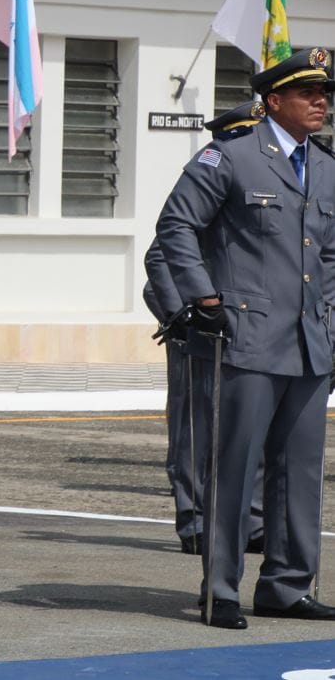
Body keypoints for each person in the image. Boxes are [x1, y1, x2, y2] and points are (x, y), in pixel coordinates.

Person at [156, 46, 335, 629]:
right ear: (273, 101)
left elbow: (329, 254)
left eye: (324, 93)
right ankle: (222, 588)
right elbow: (177, 224)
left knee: (299, 470)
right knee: (235, 468)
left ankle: (286, 584)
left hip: (310, 342)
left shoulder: (327, 165)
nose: (320, 102)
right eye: (308, 93)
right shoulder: (230, 158)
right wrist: (204, 297)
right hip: (249, 337)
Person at [144, 100, 267, 557]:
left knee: (250, 427)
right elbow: (159, 257)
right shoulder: (206, 188)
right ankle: (194, 518)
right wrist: (185, 314)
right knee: (195, 431)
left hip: (247, 331)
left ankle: (252, 521)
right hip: (198, 330)